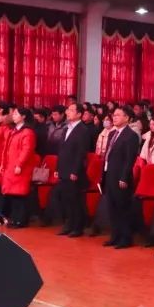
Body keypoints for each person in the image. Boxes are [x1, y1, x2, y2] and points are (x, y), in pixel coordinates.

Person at [102, 106, 141, 249]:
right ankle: (115, 236)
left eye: (118, 115)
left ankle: (125, 238)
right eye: (114, 115)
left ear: (127, 118)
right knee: (112, 207)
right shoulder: (112, 133)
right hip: (109, 174)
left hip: (121, 177)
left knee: (122, 208)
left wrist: (124, 177)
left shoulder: (131, 135)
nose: (114, 117)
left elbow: (129, 159)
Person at [54, 102, 90, 238]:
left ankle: (77, 227)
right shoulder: (66, 129)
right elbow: (61, 151)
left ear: (79, 114)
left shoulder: (83, 130)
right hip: (63, 169)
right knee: (65, 199)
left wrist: (75, 171)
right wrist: (57, 168)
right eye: (68, 110)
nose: (68, 112)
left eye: (71, 110)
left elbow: (81, 153)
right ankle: (68, 225)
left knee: (75, 200)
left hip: (74, 171)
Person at [0, 106, 38, 229]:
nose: (13, 116)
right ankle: (15, 218)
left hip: (20, 167)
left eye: (16, 114)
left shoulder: (27, 132)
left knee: (20, 195)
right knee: (13, 194)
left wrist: (19, 164)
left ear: (23, 117)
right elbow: (6, 149)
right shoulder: (14, 130)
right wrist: (3, 164)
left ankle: (21, 220)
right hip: (10, 166)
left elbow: (27, 150)